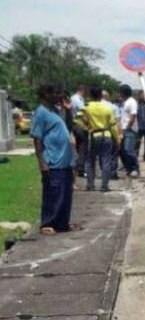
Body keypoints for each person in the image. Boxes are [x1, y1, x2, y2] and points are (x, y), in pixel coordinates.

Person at [31, 84, 77, 235]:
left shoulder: (56, 111)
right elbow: (37, 139)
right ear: (46, 94)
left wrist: (68, 109)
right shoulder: (41, 112)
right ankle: (47, 223)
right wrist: (43, 164)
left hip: (64, 160)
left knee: (65, 194)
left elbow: (69, 127)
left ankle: (62, 223)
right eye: (56, 93)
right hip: (52, 161)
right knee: (52, 194)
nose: (60, 96)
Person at [83, 87, 120, 191]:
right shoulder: (107, 108)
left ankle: (90, 185)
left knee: (90, 161)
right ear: (100, 96)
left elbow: (81, 122)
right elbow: (113, 125)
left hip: (94, 135)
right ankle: (104, 185)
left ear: (91, 96)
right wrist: (117, 139)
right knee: (106, 161)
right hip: (107, 135)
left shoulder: (87, 107)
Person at [118, 84, 140, 177]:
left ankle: (135, 168)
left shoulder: (132, 102)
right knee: (121, 151)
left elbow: (133, 115)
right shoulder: (124, 102)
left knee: (128, 149)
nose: (119, 94)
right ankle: (129, 168)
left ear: (123, 92)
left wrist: (128, 127)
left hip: (129, 129)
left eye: (120, 92)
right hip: (123, 129)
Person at [102, 90, 122, 180]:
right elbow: (118, 122)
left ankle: (104, 172)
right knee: (113, 154)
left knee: (102, 154)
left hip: (97, 133)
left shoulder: (92, 106)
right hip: (111, 133)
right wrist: (120, 134)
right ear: (108, 97)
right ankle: (112, 173)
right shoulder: (113, 107)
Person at [71, 85, 88, 177]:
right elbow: (83, 113)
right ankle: (80, 168)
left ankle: (76, 166)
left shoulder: (71, 98)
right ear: (83, 90)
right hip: (80, 126)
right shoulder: (79, 100)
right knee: (82, 147)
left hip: (73, 125)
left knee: (77, 147)